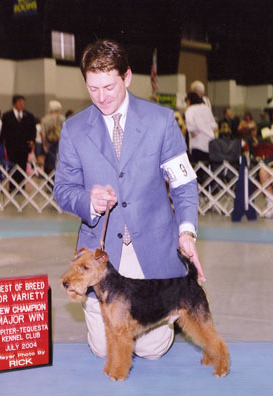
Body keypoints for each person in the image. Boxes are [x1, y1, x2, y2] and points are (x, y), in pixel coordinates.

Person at [53, 39, 204, 361]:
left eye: (109, 86)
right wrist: (87, 200)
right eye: (93, 88)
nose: (101, 96)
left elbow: (183, 183)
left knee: (151, 351)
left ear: (127, 77)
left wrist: (187, 231)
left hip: (153, 247)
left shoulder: (161, 120)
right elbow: (63, 189)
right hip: (102, 254)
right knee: (104, 349)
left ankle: (166, 314)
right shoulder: (74, 129)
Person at [0, 95, 36, 192]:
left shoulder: (29, 116)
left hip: (24, 147)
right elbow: (3, 132)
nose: (22, 105)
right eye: (20, 102)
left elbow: (33, 130)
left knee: (22, 167)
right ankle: (12, 187)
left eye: (23, 103)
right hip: (12, 147)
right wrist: (1, 146)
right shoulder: (7, 116)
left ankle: (21, 187)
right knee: (12, 167)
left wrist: (32, 140)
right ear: (14, 104)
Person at [185, 91, 217, 164]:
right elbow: (214, 125)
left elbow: (191, 127)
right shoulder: (206, 108)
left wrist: (193, 132)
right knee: (208, 169)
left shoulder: (190, 110)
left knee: (198, 170)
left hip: (198, 144)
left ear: (189, 101)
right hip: (210, 144)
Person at [41, 100, 65, 174]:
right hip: (60, 143)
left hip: (49, 143)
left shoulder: (45, 119)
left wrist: (44, 145)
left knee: (49, 162)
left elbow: (43, 133)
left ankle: (49, 180)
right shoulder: (62, 118)